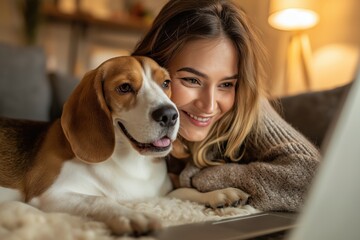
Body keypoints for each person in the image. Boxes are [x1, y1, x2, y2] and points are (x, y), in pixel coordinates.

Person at [132, 0, 320, 212]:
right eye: (192, 80)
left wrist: (199, 179)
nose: (209, 106)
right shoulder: (127, 115)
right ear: (155, 68)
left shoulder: (249, 107)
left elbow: (312, 179)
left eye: (226, 84)